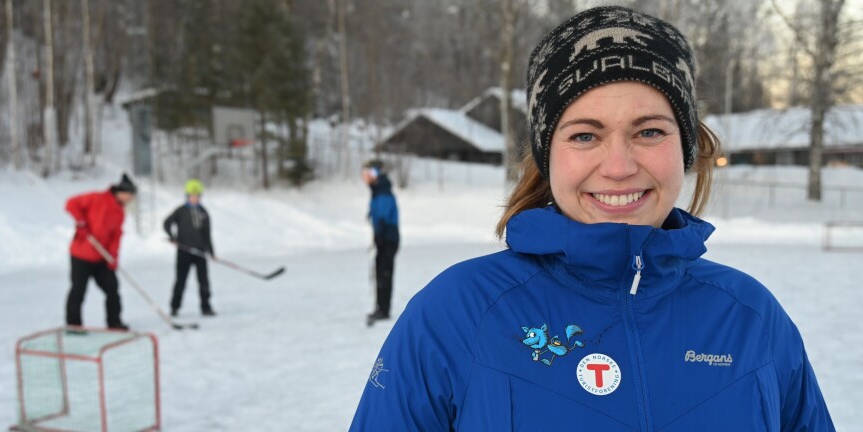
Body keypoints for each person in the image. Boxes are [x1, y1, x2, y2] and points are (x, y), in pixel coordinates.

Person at [350, 6, 834, 431]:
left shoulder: (751, 319)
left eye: (648, 131)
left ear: (683, 149)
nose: (620, 166)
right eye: (585, 135)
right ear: (548, 154)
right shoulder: (456, 313)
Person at [65, 173, 137, 330]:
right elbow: (71, 204)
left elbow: (116, 236)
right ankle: (74, 325)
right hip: (81, 254)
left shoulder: (120, 212)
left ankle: (114, 322)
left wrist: (113, 257)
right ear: (122, 192)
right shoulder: (97, 198)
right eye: (130, 195)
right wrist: (81, 222)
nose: (131, 199)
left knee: (112, 288)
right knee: (78, 289)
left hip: (101, 258)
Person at [164, 179, 216, 317]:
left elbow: (207, 234)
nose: (194, 198)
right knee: (180, 281)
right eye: (192, 195)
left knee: (203, 281)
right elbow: (167, 223)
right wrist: (172, 237)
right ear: (187, 196)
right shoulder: (181, 211)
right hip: (184, 252)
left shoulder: (203, 212)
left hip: (200, 252)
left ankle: (206, 307)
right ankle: (175, 307)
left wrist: (211, 251)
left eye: (197, 195)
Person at [362, 160, 400, 326]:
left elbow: (383, 216)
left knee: (384, 273)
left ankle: (383, 309)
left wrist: (381, 236)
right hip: (383, 238)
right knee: (380, 272)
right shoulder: (377, 191)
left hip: (388, 239)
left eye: (368, 174)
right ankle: (381, 307)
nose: (365, 178)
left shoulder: (383, 191)